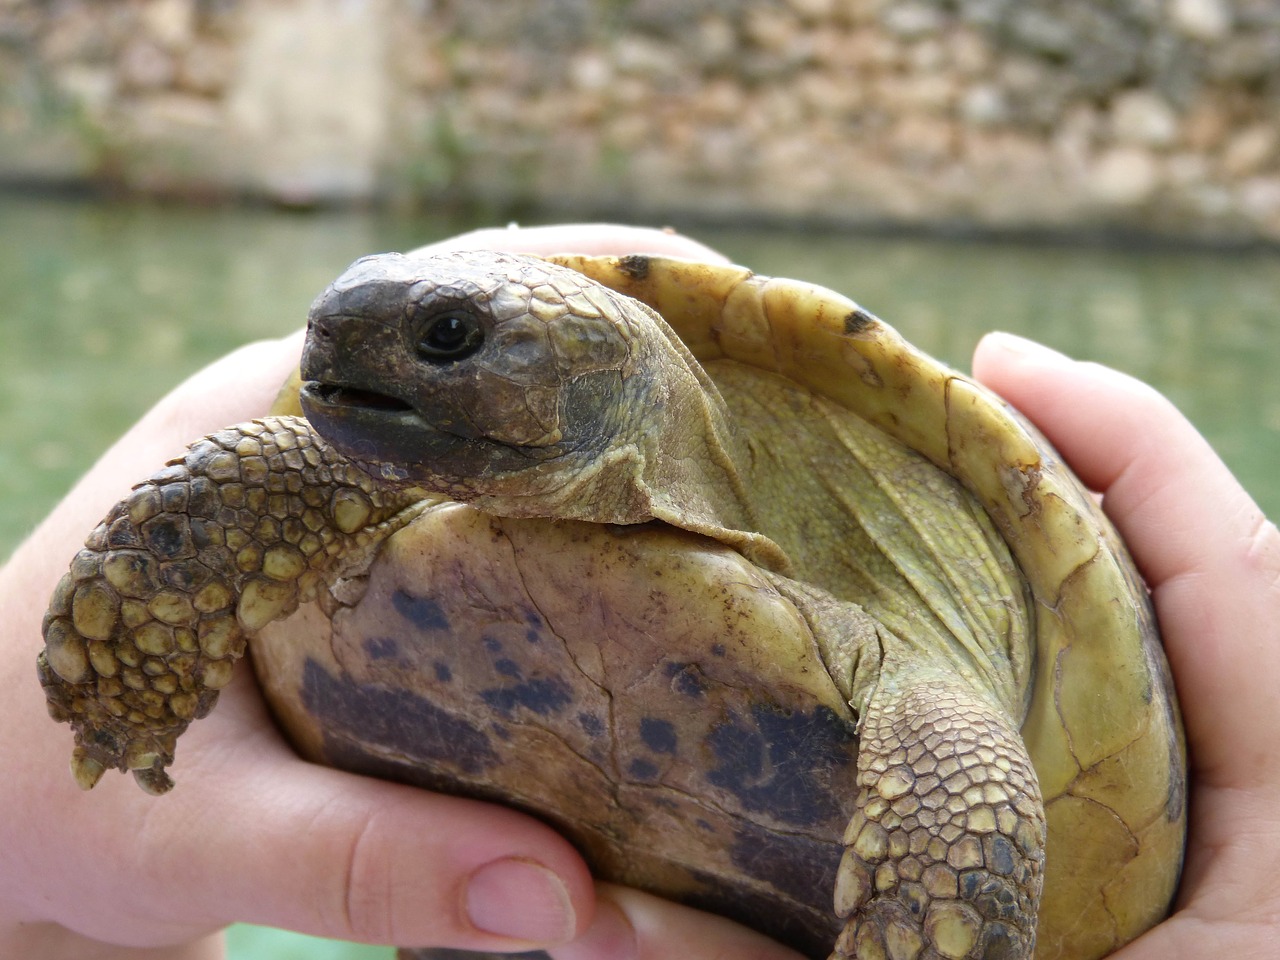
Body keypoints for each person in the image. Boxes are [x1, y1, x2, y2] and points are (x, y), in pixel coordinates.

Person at [0, 224, 1275, 960]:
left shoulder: (887, 568)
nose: (343, 353)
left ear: (601, 377)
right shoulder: (343, 474)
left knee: (947, 772)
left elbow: (960, 760)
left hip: (966, 778)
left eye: (451, 338)